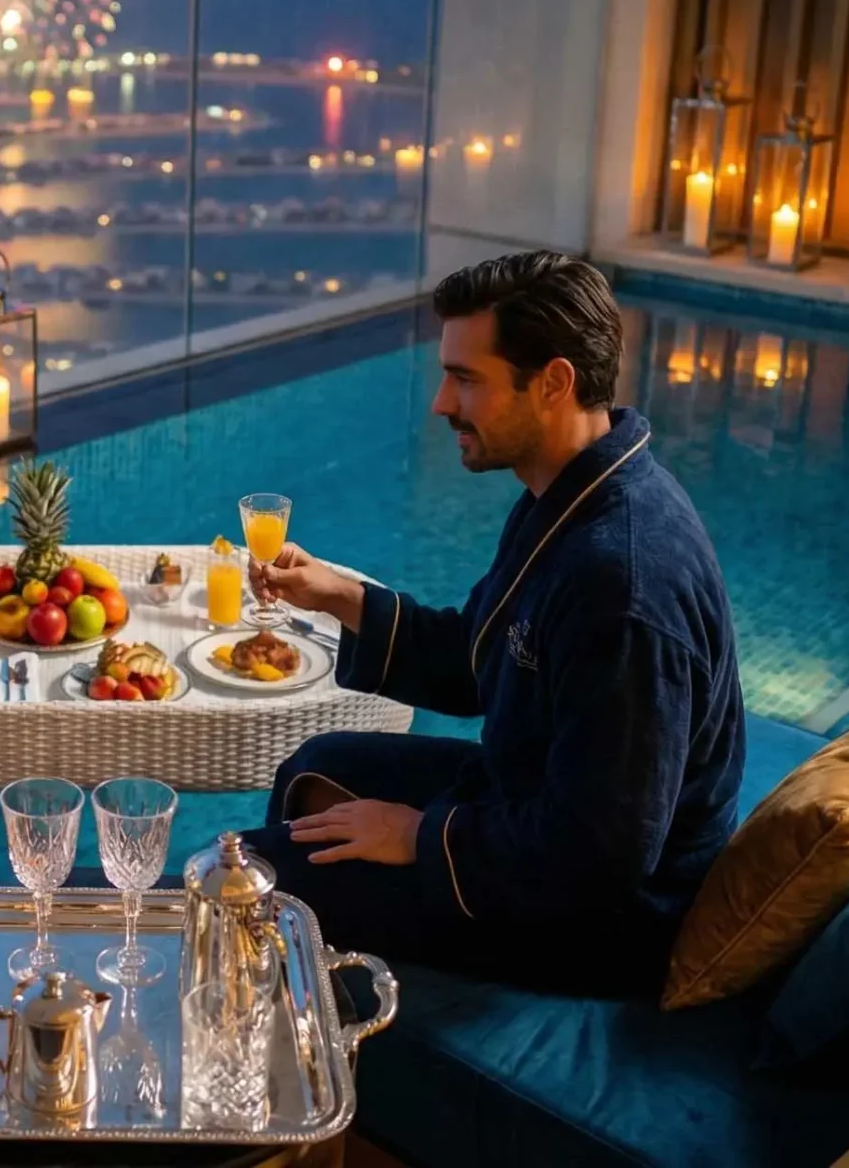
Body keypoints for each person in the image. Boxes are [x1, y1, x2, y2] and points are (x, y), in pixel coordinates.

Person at [247, 253, 745, 996]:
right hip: (528, 799)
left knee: (253, 883)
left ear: (553, 382)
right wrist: (339, 594)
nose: (442, 403)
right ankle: (294, 989)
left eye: (467, 378)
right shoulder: (570, 495)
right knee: (315, 764)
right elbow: (479, 653)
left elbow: (600, 857)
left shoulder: (624, 585)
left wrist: (416, 833)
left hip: (597, 921)